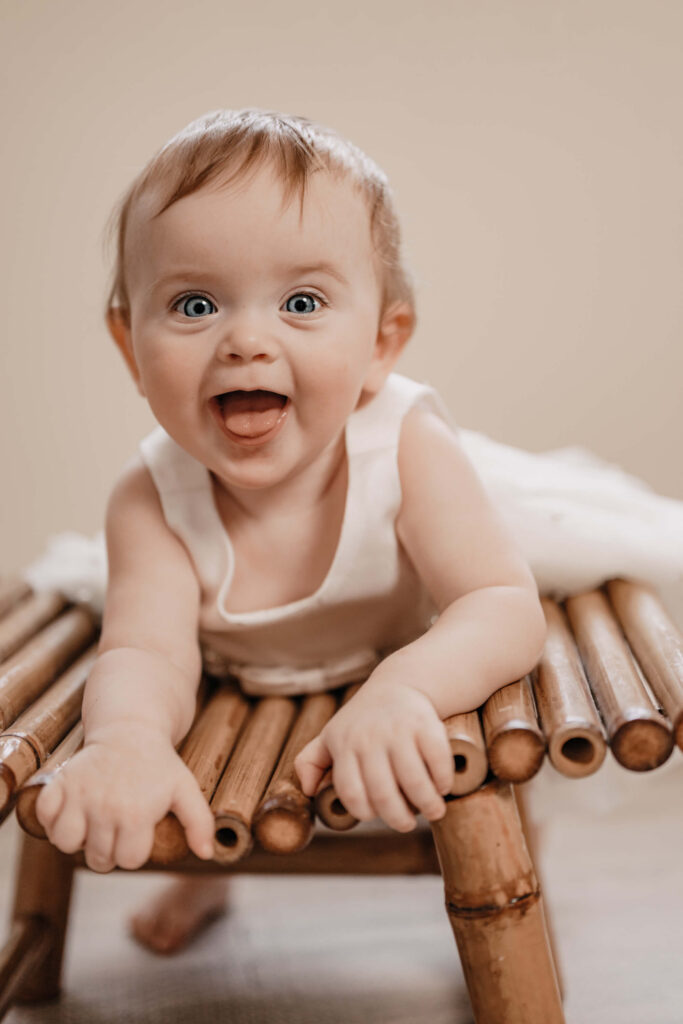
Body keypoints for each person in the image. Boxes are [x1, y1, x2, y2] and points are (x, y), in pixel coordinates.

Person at [34, 109, 547, 953]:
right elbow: (148, 653)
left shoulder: (405, 446)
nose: (245, 340)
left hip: (385, 653)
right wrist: (125, 741)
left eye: (301, 302)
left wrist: (402, 691)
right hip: (227, 679)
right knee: (177, 748)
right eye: (194, 304)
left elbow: (499, 603)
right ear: (130, 349)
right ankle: (204, 878)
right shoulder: (149, 497)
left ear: (382, 344)